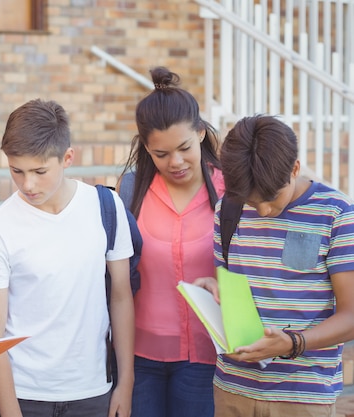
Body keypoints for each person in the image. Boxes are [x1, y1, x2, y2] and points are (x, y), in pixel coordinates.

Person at [0, 98, 135, 417]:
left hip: (93, 391)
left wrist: (125, 383)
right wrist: (10, 412)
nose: (27, 184)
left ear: (67, 157)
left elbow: (121, 297)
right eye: (16, 171)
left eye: (40, 171)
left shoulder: (106, 207)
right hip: (23, 396)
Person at [204, 114, 354, 416]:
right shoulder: (228, 209)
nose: (263, 210)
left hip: (302, 397)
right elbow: (234, 290)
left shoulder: (336, 213)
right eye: (251, 201)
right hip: (232, 389)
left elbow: (351, 315)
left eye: (271, 198)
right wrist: (213, 290)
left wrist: (292, 343)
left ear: (295, 168)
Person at [118, 66, 225, 417]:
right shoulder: (132, 190)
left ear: (200, 132)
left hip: (207, 358)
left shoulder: (228, 190)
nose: (175, 162)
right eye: (160, 154)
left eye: (184, 148)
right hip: (141, 359)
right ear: (146, 148)